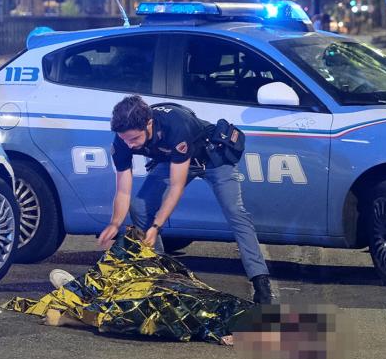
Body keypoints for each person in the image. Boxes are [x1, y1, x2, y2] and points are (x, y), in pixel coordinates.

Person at [96, 95, 275, 304]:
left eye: (135, 139)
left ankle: (260, 280)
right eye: (125, 140)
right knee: (139, 206)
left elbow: (176, 186)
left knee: (235, 212)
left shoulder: (175, 126)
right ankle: (160, 273)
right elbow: (124, 191)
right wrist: (115, 222)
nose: (130, 145)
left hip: (212, 158)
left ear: (149, 124)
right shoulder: (123, 140)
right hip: (172, 160)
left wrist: (156, 225)